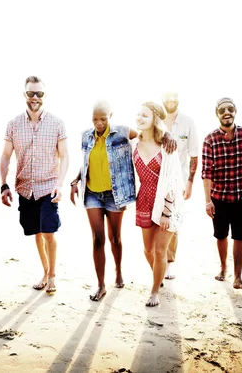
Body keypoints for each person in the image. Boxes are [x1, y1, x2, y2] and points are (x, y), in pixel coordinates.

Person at [70, 101, 176, 302]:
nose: (99, 123)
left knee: (115, 238)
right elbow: (86, 161)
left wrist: (168, 134)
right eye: (95, 119)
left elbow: (148, 138)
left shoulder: (123, 132)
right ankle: (101, 285)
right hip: (92, 193)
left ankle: (118, 272)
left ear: (111, 115)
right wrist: (76, 179)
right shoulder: (85, 135)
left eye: (103, 118)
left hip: (115, 194)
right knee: (98, 238)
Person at [0, 76, 69, 295]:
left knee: (48, 232)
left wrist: (60, 184)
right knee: (37, 233)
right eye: (31, 93)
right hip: (24, 189)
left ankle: (52, 277)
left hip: (48, 187)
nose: (35, 98)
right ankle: (45, 271)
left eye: (39, 93)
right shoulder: (13, 124)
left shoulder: (57, 123)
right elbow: (5, 156)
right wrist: (4, 185)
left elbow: (65, 156)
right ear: (25, 95)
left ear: (45, 96)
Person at [202, 97, 242, 291]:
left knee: (239, 235)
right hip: (219, 198)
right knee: (220, 235)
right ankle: (223, 267)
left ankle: (238, 277)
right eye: (222, 110)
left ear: (235, 111)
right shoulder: (210, 139)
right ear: (217, 114)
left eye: (230, 109)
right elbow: (207, 173)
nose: (227, 113)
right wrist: (208, 201)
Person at [133, 102, 183, 307]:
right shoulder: (133, 143)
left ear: (155, 119)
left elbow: (173, 181)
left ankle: (154, 292)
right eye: (138, 114)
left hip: (166, 203)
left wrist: (167, 212)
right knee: (147, 250)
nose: (139, 118)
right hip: (144, 199)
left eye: (144, 115)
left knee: (161, 250)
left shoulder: (166, 145)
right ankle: (158, 275)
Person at [161, 91, 199, 280]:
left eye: (173, 97)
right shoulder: (156, 120)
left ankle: (169, 264)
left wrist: (190, 182)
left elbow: (193, 155)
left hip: (178, 180)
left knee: (172, 222)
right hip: (155, 179)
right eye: (167, 97)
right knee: (155, 220)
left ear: (178, 99)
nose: (170, 100)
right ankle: (157, 261)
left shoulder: (188, 122)